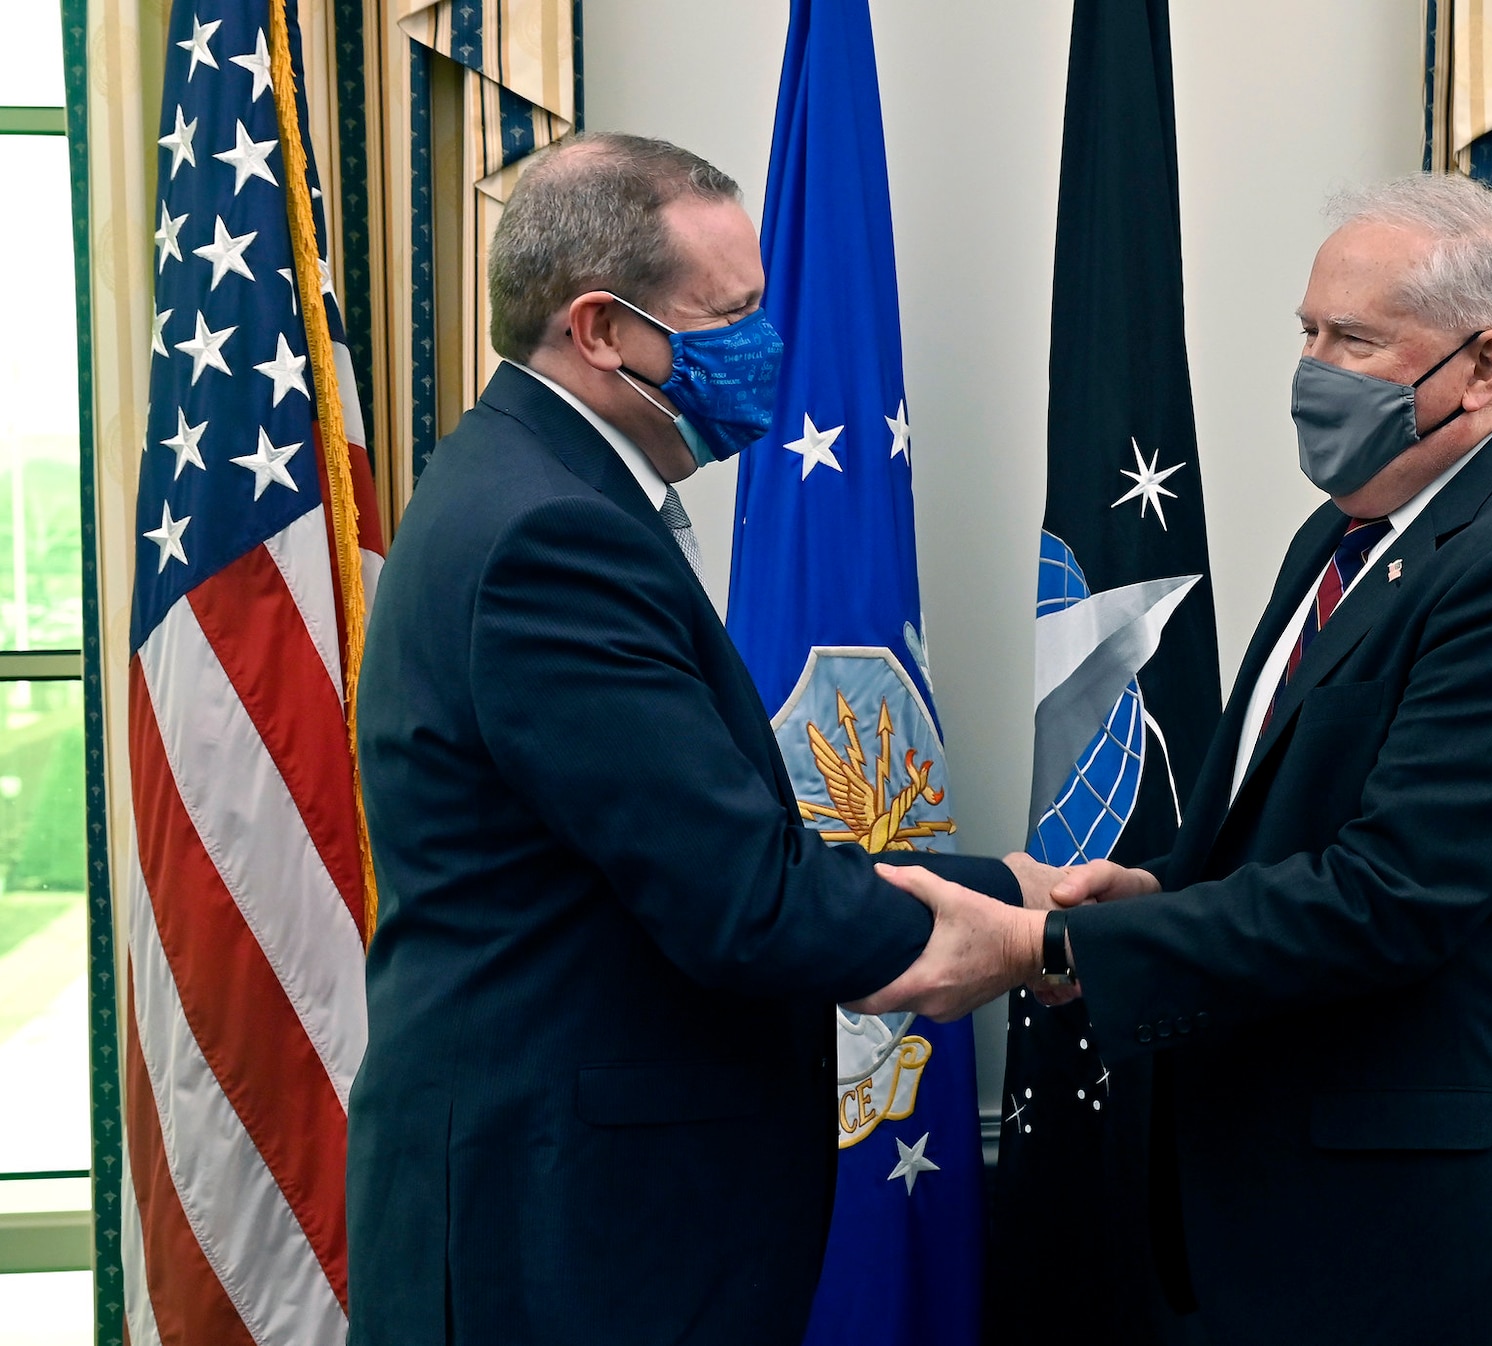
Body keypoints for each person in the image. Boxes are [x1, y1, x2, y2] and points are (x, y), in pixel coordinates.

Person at [866, 174, 1492, 1344]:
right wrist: (1156, 891)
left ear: (1486, 366)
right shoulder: (1348, 530)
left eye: (1354, 339)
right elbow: (1284, 823)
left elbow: (1388, 898)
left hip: (1438, 1240)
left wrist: (1049, 939)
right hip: (1284, 1210)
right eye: (1307, 330)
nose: (1312, 368)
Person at [347, 132, 1031, 1346]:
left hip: (583, 1210)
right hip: (574, 1239)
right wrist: (1034, 925)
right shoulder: (550, 536)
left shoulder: (530, 481)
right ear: (600, 329)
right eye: (731, 314)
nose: (763, 346)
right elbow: (741, 897)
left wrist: (1006, 884)